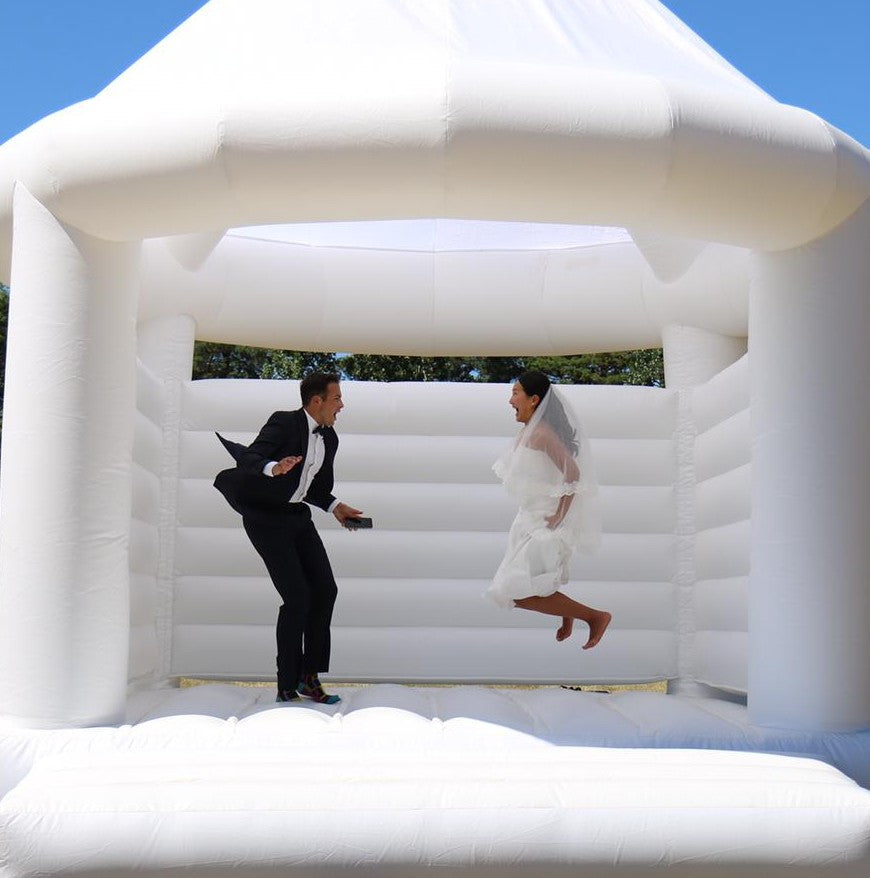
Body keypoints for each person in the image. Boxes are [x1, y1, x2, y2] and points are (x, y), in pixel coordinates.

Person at [214, 372, 363, 704]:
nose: (342, 405)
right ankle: (286, 683)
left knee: (325, 590)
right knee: (297, 598)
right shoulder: (284, 422)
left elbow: (315, 489)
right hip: (266, 519)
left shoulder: (330, 438)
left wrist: (336, 507)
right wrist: (273, 467)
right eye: (337, 398)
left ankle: (310, 678)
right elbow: (251, 456)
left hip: (297, 517)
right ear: (316, 401)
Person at [486, 371, 611, 649]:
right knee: (522, 587)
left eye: (515, 393)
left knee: (516, 591)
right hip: (528, 519)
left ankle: (594, 617)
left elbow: (574, 474)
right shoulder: (528, 432)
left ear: (534, 400)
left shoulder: (542, 434)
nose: (510, 400)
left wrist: (559, 516)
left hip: (544, 524)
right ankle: (569, 612)